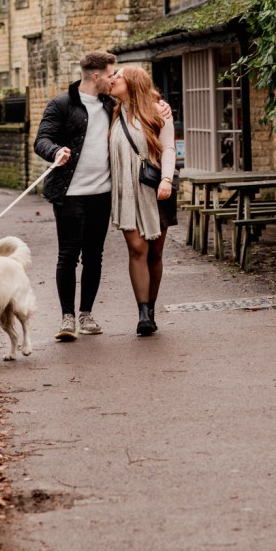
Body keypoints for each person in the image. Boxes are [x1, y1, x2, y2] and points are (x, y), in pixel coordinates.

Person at [34, 51, 117, 341]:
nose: (113, 79)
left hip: (102, 193)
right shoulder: (62, 104)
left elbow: (144, 110)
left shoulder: (112, 105)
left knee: (94, 255)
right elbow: (41, 140)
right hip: (70, 194)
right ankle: (67, 318)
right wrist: (55, 151)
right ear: (96, 76)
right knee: (68, 255)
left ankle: (87, 315)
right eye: (110, 75)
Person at [109, 66, 177, 336]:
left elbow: (169, 147)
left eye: (118, 76)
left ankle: (151, 308)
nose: (112, 79)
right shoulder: (113, 112)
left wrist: (167, 180)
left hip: (156, 188)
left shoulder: (158, 111)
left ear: (134, 83)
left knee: (156, 252)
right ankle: (142, 313)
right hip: (126, 191)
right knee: (137, 247)